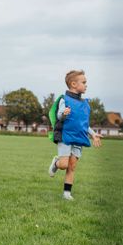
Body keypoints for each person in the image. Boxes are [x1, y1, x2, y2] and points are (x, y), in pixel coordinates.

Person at [47, 70, 102, 200]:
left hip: (79, 138)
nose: (86, 85)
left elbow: (83, 124)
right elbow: (60, 115)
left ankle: (67, 194)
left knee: (72, 166)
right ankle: (56, 163)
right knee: (64, 165)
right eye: (84, 82)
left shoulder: (85, 104)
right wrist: (64, 114)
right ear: (73, 84)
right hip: (65, 136)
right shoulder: (64, 100)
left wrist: (93, 134)